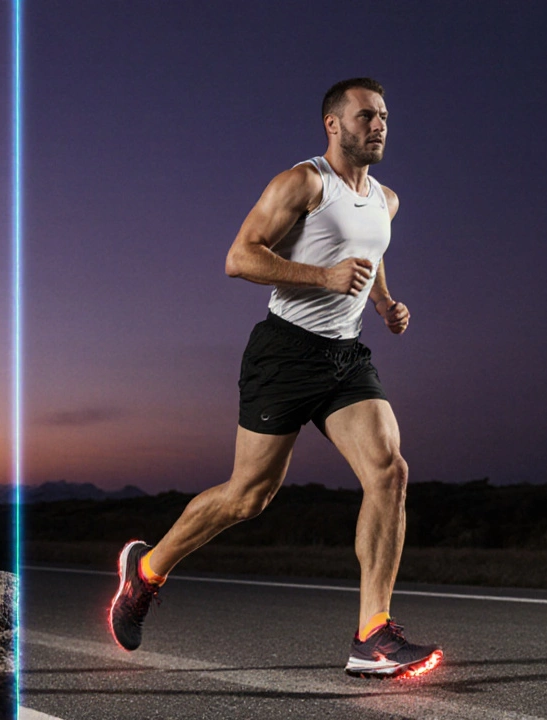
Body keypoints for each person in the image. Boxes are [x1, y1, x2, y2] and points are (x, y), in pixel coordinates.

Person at [108, 78, 442, 679]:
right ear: (333, 124)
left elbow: (372, 251)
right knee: (248, 497)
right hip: (284, 353)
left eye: (385, 115)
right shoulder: (302, 183)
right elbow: (239, 257)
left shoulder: (386, 200)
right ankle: (148, 570)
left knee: (390, 471)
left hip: (345, 357)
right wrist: (324, 277)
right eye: (366, 116)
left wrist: (383, 302)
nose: (379, 125)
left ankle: (372, 634)